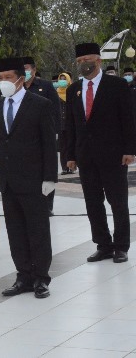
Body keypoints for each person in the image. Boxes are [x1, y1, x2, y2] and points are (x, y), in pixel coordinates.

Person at [0, 57, 57, 299]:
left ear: (21, 78)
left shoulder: (39, 104)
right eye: (0, 78)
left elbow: (48, 144)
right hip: (9, 181)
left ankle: (41, 277)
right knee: (16, 231)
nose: (3, 82)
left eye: (8, 78)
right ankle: (23, 276)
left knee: (38, 230)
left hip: (35, 180)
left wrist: (50, 177)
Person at [66, 43, 136, 264]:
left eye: (86, 59)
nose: (83, 64)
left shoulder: (117, 85)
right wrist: (69, 155)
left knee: (118, 201)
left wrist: (130, 150)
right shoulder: (73, 89)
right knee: (93, 202)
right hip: (86, 156)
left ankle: (121, 246)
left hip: (114, 155)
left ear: (98, 60)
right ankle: (103, 244)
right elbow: (70, 125)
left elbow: (129, 120)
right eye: (79, 61)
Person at [23, 57, 61, 216]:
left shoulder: (45, 86)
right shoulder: (19, 88)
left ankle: (47, 205)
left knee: (47, 169)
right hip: (26, 136)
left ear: (33, 69)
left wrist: (56, 131)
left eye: (26, 68)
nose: (24, 72)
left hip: (45, 134)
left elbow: (55, 109)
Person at [54, 73, 74, 175]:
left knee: (71, 145)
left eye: (64, 79)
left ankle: (72, 166)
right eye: (60, 79)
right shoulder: (56, 93)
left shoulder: (72, 92)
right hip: (60, 124)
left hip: (70, 123)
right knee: (63, 147)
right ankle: (64, 168)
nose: (62, 81)